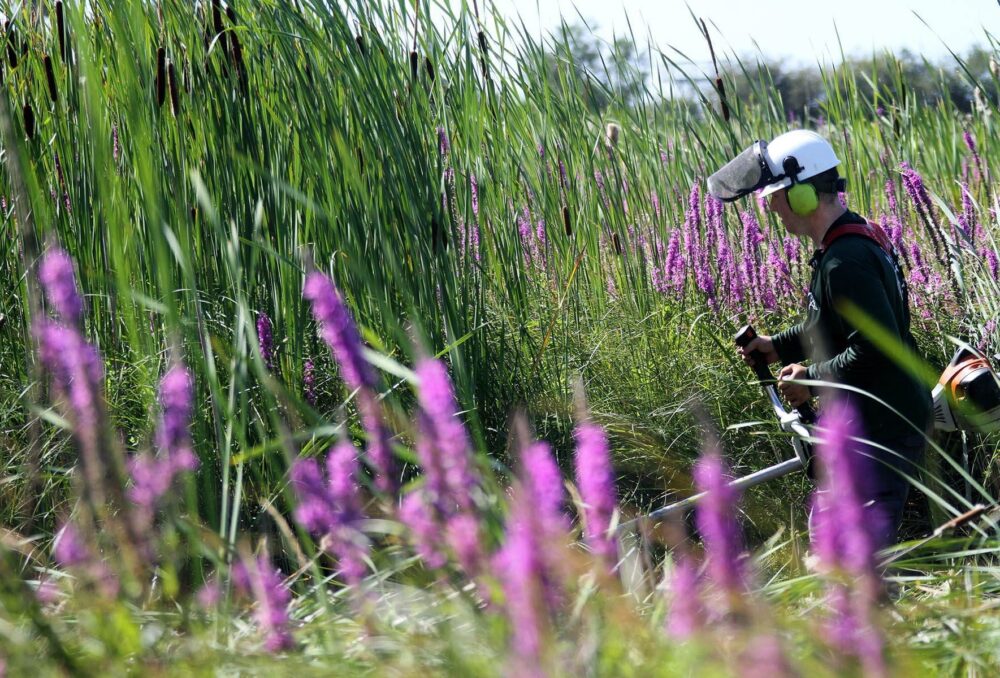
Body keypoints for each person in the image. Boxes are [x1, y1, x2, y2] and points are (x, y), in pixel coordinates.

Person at [707, 129, 932, 550]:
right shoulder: (852, 239)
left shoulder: (845, 261)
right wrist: (780, 345)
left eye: (775, 195)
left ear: (803, 196)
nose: (771, 206)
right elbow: (833, 323)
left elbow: (874, 348)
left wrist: (810, 377)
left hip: (881, 429)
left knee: (855, 556)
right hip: (871, 422)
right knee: (835, 542)